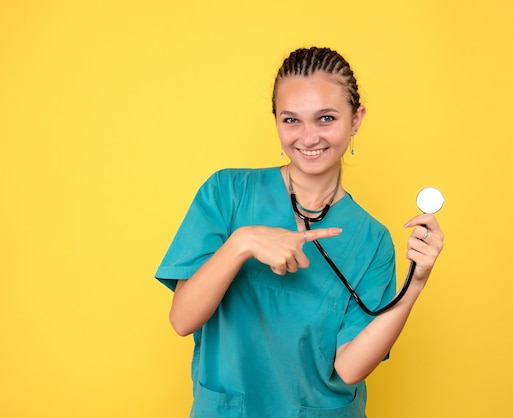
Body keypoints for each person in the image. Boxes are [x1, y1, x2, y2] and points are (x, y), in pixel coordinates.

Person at [155, 46, 444, 417]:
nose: (308, 138)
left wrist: (415, 283)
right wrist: (244, 241)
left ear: (356, 119)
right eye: (291, 120)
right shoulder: (226, 193)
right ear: (275, 120)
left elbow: (350, 368)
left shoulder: (372, 240)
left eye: (326, 118)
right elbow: (182, 319)